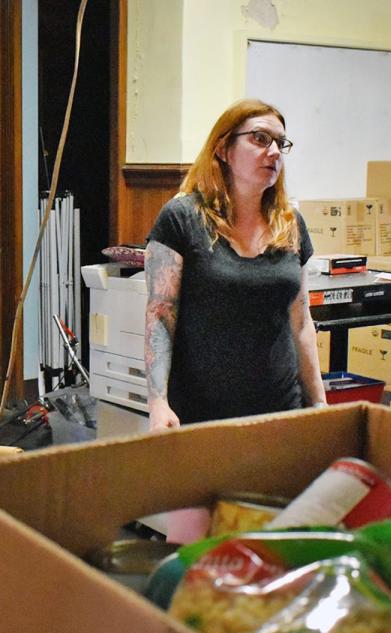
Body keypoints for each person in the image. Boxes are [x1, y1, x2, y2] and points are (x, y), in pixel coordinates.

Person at [144, 98, 325, 430]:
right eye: (259, 138)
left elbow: (301, 323)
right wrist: (158, 402)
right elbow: (160, 316)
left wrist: (319, 402)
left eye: (280, 144)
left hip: (281, 409)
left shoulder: (291, 224)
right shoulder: (182, 218)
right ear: (224, 149)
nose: (273, 152)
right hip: (201, 415)